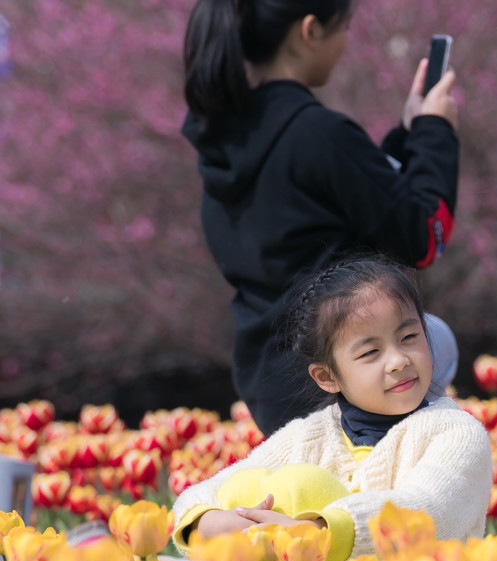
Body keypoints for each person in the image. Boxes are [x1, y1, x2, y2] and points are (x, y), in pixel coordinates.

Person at [181, 0, 460, 435]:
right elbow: (422, 236)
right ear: (310, 31)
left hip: (269, 381)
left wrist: (409, 135)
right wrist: (436, 134)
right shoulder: (319, 132)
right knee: (434, 339)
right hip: (345, 385)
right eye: (343, 27)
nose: (346, 41)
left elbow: (347, 195)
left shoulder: (225, 142)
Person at [170, 256, 492, 561]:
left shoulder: (457, 433)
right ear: (327, 377)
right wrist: (210, 523)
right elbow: (206, 491)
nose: (398, 361)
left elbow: (429, 510)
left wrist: (318, 532)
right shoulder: (308, 437)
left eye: (409, 337)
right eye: (370, 352)